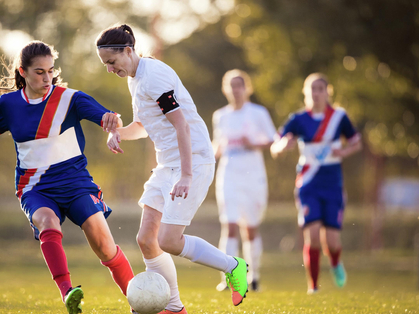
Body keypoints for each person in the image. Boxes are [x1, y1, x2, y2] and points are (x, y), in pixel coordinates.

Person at [95, 24, 249, 314]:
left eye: (112, 62)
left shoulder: (154, 77)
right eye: (105, 64)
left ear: (128, 51)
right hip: (167, 164)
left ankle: (234, 266)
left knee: (168, 241)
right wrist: (118, 133)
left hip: (194, 161)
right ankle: (174, 307)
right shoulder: (135, 78)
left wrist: (187, 176)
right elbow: (143, 126)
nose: (109, 69)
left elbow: (182, 126)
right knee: (146, 240)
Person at [0, 41, 135, 314]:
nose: (47, 78)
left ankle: (138, 299)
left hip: (76, 184)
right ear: (23, 72)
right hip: (35, 188)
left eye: (51, 71)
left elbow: (106, 117)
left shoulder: (70, 98)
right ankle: (67, 293)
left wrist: (111, 126)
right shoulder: (8, 104)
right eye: (39, 72)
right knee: (49, 222)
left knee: (105, 248)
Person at [270, 73, 362, 294]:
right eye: (312, 88)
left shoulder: (339, 117)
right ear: (306, 92)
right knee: (312, 236)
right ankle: (313, 286)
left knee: (331, 241)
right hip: (308, 183)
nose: (316, 93)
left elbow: (356, 143)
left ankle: (335, 262)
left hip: (333, 184)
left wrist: (344, 151)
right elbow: (275, 144)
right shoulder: (298, 119)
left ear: (327, 92)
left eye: (320, 88)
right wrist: (284, 145)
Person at [212, 69, 276, 292]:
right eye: (232, 85)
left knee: (250, 227)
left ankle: (254, 276)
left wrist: (254, 143)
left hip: (253, 173)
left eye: (240, 85)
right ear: (225, 89)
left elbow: (272, 140)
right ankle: (228, 277)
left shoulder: (258, 112)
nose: (236, 90)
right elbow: (217, 146)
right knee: (229, 225)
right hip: (228, 172)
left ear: (247, 88)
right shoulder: (220, 115)